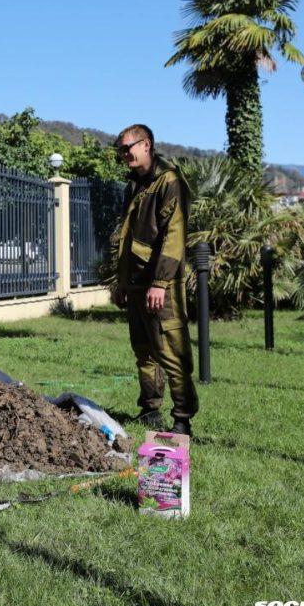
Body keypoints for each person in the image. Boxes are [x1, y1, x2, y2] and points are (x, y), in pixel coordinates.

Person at [111, 124, 198, 437]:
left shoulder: (169, 181)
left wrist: (160, 283)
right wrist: (121, 282)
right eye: (120, 149)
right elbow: (125, 239)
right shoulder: (133, 185)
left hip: (162, 285)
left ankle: (182, 418)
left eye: (128, 148)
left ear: (146, 144)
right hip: (135, 283)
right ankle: (150, 409)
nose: (123, 155)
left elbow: (174, 236)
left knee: (171, 353)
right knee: (144, 352)